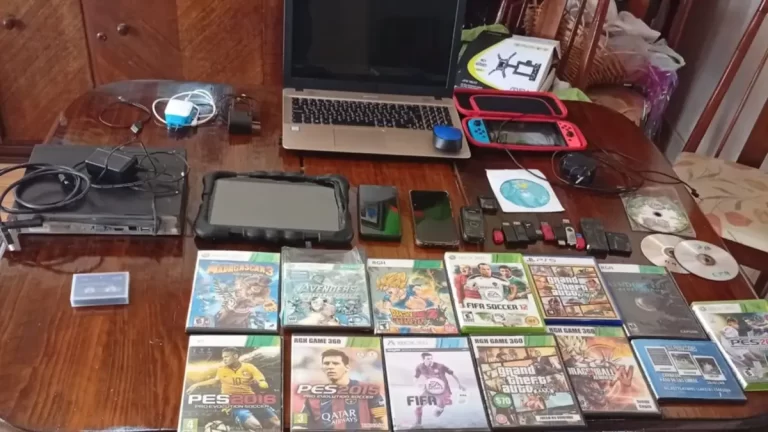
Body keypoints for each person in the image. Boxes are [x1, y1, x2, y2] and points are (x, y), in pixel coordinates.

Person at [185, 348, 280, 431]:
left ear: (235, 356)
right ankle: (243, 423)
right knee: (256, 426)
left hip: (251, 399)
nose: (224, 359)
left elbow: (259, 377)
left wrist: (261, 382)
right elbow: (215, 380)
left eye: (226, 356)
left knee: (277, 423)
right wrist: (196, 384)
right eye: (223, 357)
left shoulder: (249, 367)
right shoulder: (221, 369)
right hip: (233, 402)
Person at [299, 349, 387, 430]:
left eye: (335, 363)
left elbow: (383, 421)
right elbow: (299, 425)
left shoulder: (368, 390)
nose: (330, 367)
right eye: (326, 363)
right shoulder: (313, 395)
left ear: (347, 367)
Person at [413, 352, 465, 427]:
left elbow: (452, 374)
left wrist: (459, 384)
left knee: (436, 413)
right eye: (428, 359)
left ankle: (440, 409)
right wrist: (416, 384)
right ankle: (418, 424)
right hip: (430, 389)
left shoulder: (440, 366)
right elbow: (416, 377)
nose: (430, 360)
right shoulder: (420, 367)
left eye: (431, 358)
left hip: (443, 390)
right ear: (423, 359)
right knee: (418, 406)